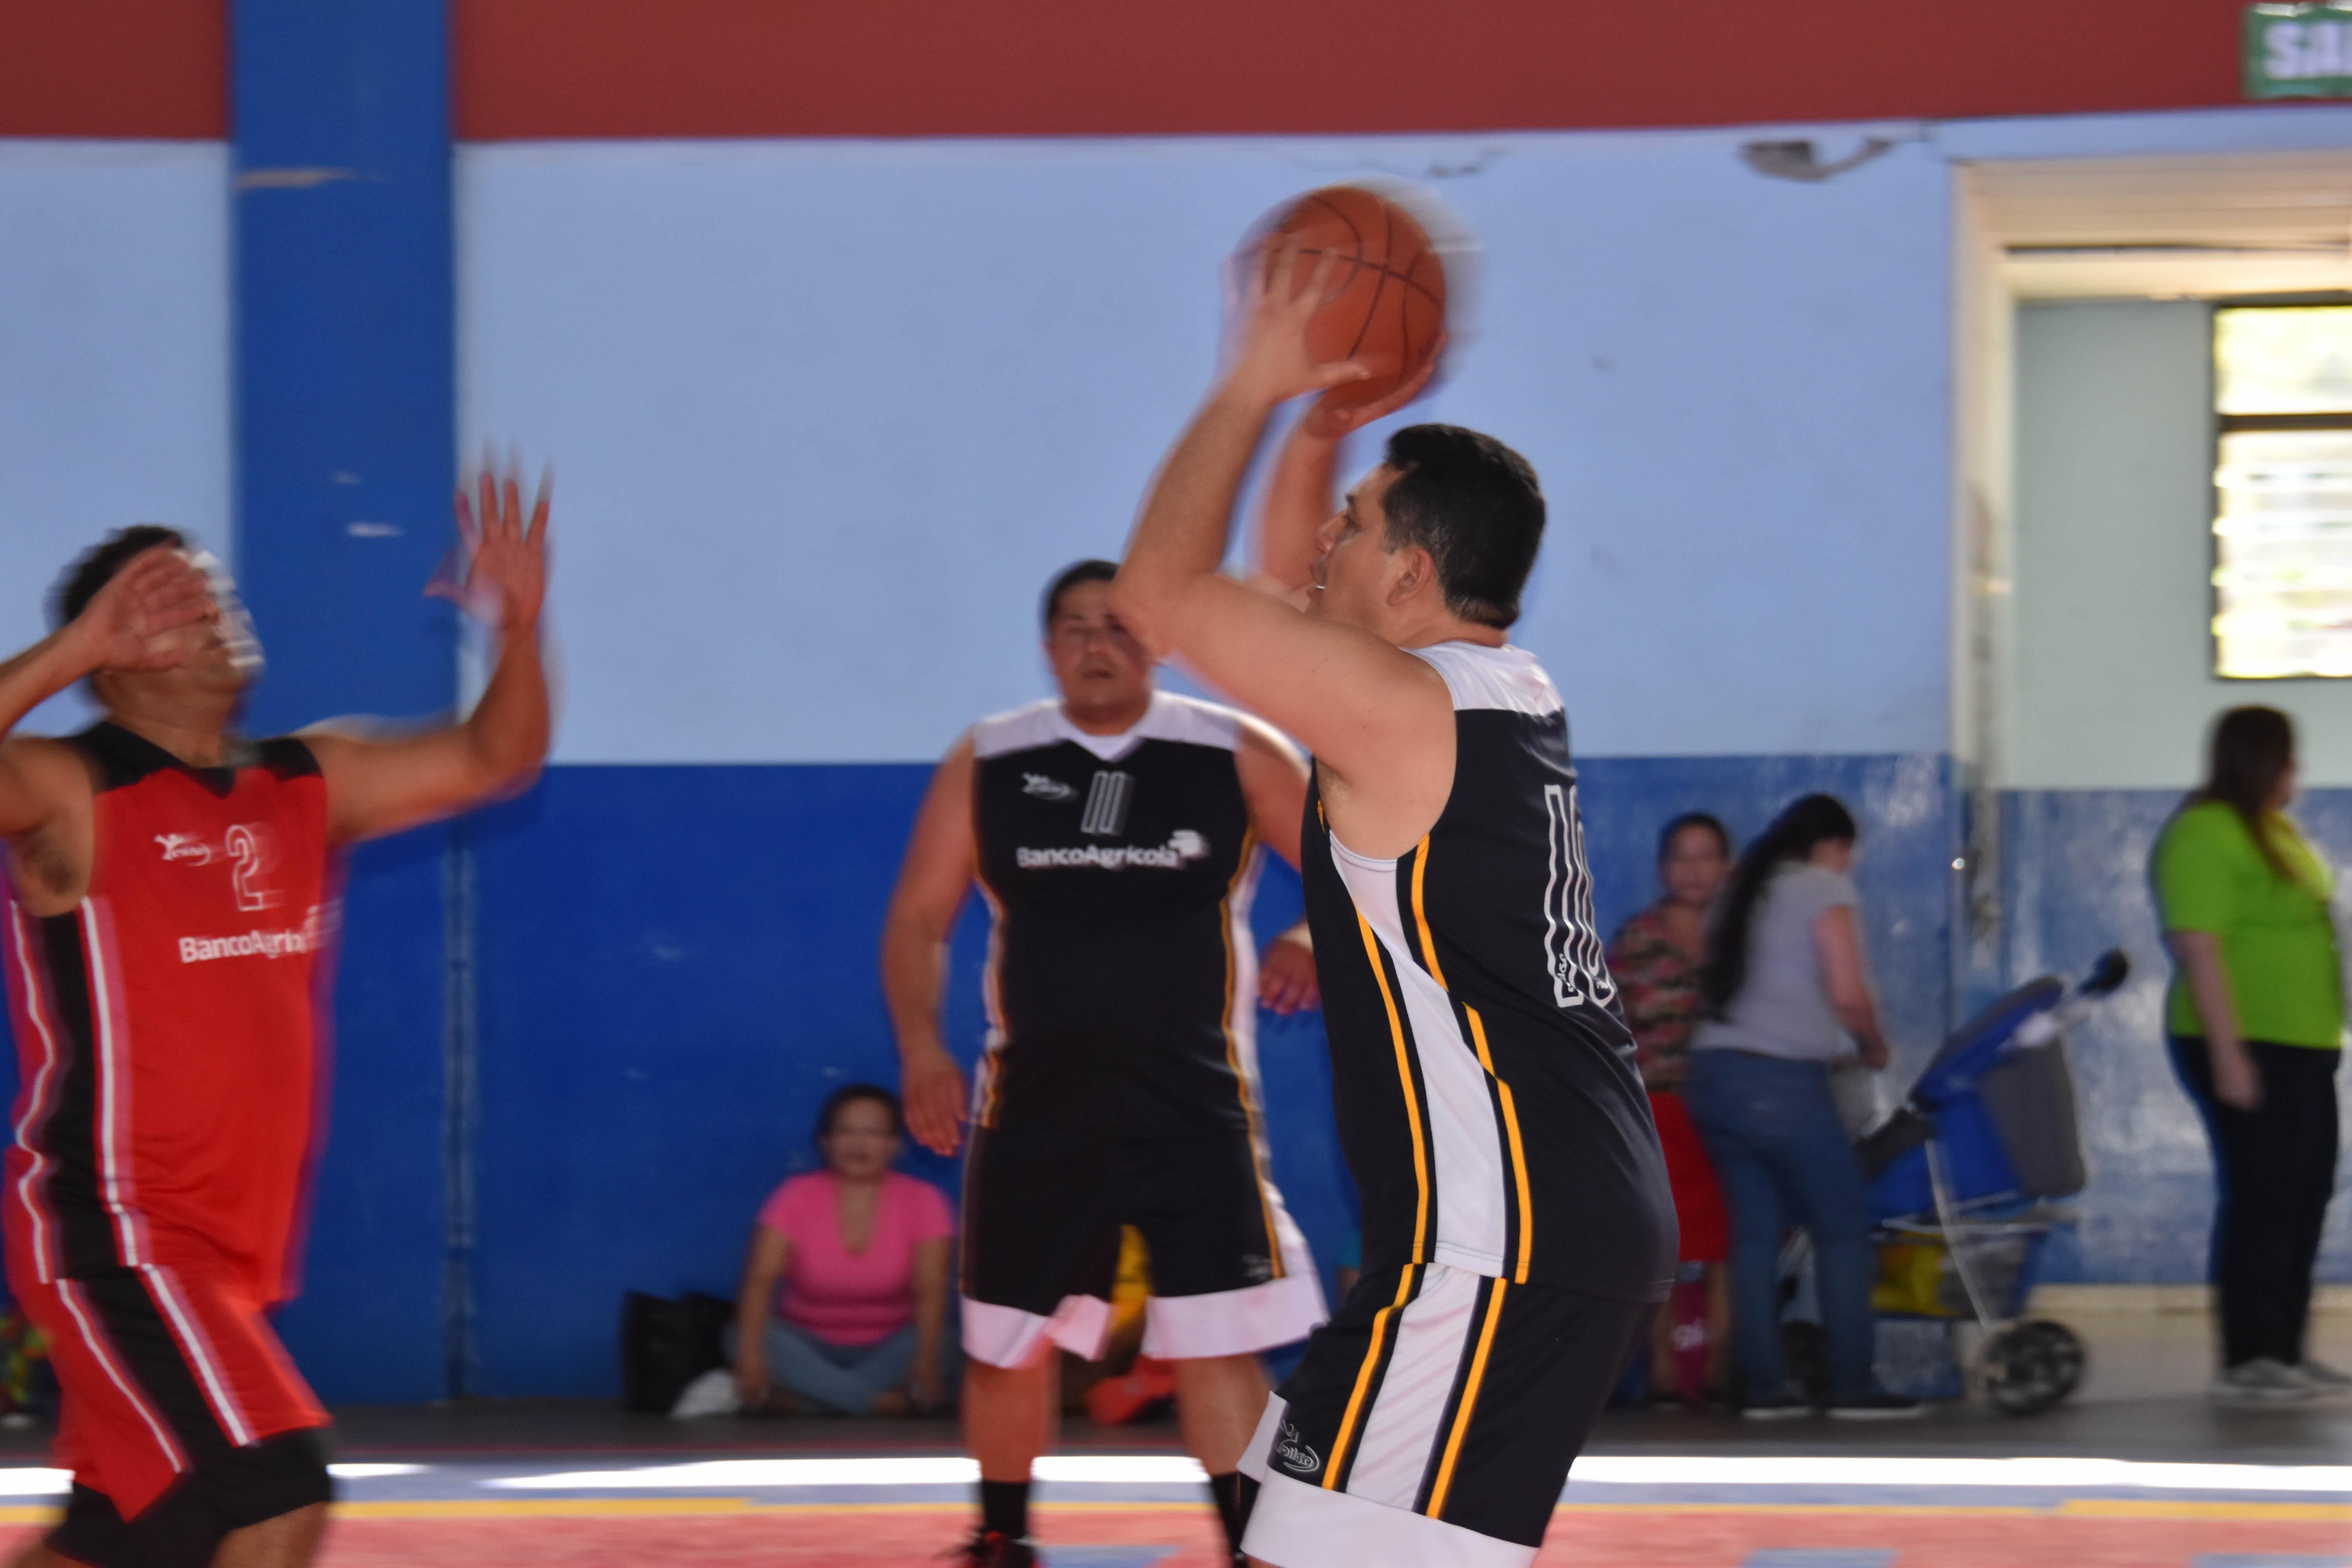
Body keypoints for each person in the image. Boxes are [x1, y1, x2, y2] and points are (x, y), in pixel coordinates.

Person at [1112, 239, 1675, 1568]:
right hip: (1531, 1221)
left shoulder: (1406, 712)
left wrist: (1251, 385)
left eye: (1356, 525)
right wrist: (1324, 432)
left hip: (1498, 1239)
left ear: (1413, 574)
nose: (1327, 539)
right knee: (1300, 1541)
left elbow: (1157, 598)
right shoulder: (1495, 689)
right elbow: (1285, 596)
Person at [0, 467, 550, 1568]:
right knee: (276, 1488)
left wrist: (521, 629)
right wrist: (70, 650)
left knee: (130, 1538)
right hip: (115, 1229)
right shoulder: (70, 787)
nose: (220, 612)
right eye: (178, 603)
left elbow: (497, 756)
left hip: (229, 1248)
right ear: (116, 655)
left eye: (219, 592)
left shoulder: (307, 778)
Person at [880, 559, 1328, 1568]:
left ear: (1156, 643)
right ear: (1049, 648)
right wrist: (919, 1046)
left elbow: (1363, 870)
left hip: (1194, 1104)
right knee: (1006, 1336)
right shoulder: (991, 757)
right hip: (1036, 1105)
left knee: (1217, 1338)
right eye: (1077, 627)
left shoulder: (1232, 749)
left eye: (1119, 626)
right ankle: (1002, 1535)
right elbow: (916, 916)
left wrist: (1310, 933)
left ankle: (1257, 1547)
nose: (1097, 644)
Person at [1683, 793, 1919, 1420]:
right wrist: (1874, 1046)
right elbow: (1848, 993)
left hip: (1712, 1080)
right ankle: (1851, 1384)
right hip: (1783, 1085)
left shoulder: (1740, 889)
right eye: (1848, 856)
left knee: (1755, 1236)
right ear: (1834, 847)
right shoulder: (1823, 886)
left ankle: (1762, 1388)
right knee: (1842, 1227)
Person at [2154, 705, 2348, 1405]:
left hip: (2306, 1044)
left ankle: (2284, 1350)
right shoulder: (2205, 832)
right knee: (2265, 1197)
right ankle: (2247, 1359)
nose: (2298, 772)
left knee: (2305, 1196)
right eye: (2289, 759)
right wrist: (2230, 1056)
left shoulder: (2277, 831)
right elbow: (2199, 948)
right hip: (2243, 1041)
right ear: (2263, 761)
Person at [1605, 813, 1734, 1404]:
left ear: (1727, 866)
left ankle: (1719, 1369)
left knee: (1728, 1240)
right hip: (1658, 1109)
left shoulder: (1743, 934)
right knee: (1665, 1244)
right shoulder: (1638, 939)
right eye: (1681, 857)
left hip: (1730, 1110)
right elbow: (1606, 1024)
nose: (1694, 870)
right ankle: (1662, 1371)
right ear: (1662, 868)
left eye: (1706, 857)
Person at [730, 1085, 955, 1417]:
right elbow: (760, 1279)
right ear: (826, 1142)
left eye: (874, 1133)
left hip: (891, 1347)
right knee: (739, 1337)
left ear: (896, 1145)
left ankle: (803, 1404)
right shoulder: (796, 1196)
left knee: (950, 1345)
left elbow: (931, 1286)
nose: (858, 1144)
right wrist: (750, 1357)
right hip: (808, 1345)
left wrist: (926, 1360)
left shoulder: (924, 1200)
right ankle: (880, 1405)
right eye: (846, 1132)